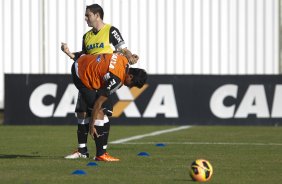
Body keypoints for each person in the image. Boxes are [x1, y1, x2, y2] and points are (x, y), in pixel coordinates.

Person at [61, 4, 139, 160]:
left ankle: (102, 152)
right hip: (89, 76)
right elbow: (84, 55)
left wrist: (130, 57)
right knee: (82, 112)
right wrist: (69, 53)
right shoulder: (87, 36)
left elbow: (123, 49)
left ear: (97, 15)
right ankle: (82, 151)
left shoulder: (111, 31)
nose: (85, 18)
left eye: (87, 15)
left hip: (104, 78)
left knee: (101, 112)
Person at [69, 53, 147, 161]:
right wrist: (92, 125)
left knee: (102, 113)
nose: (130, 86)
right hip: (80, 74)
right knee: (99, 112)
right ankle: (100, 155)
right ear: (130, 76)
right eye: (132, 84)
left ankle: (92, 152)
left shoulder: (124, 61)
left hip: (83, 63)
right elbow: (98, 103)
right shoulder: (117, 79)